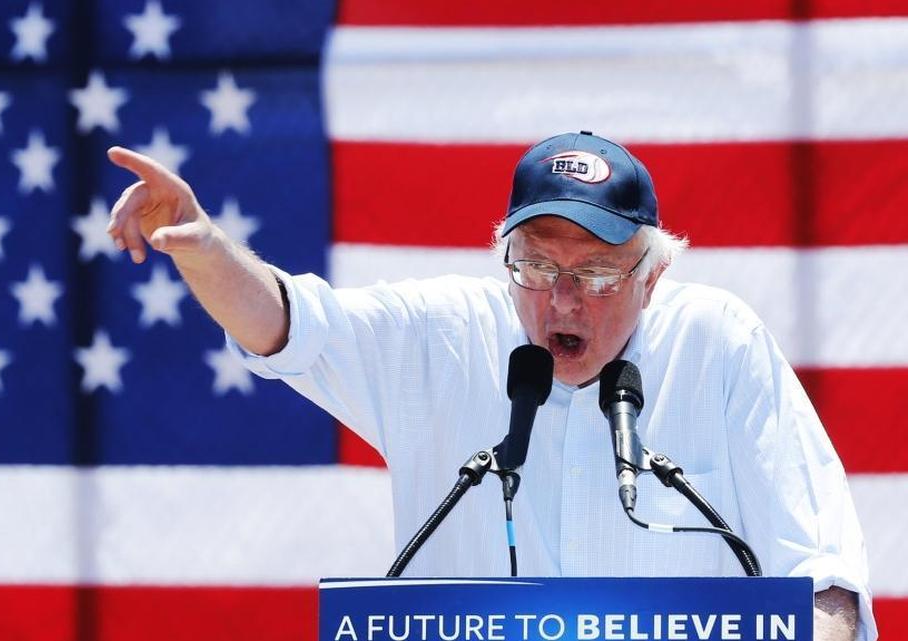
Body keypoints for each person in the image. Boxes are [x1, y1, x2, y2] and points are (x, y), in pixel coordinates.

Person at [105, 131, 873, 641]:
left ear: (655, 273)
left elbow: (826, 583)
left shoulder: (720, 346)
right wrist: (204, 249)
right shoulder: (442, 333)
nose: (562, 301)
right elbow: (290, 324)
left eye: (598, 274)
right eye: (537, 267)